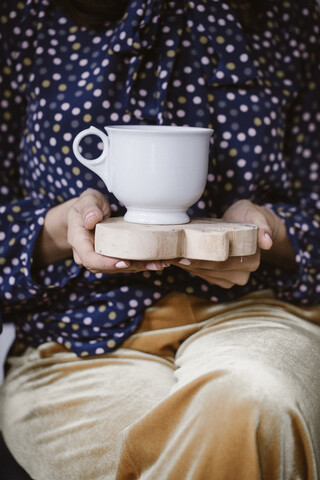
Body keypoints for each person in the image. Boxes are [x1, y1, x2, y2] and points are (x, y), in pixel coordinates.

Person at [0, 0, 320, 478]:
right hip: (74, 341)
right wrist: (58, 228)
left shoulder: (291, 18)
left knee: (251, 401)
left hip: (258, 314)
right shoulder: (26, 16)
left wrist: (272, 233)